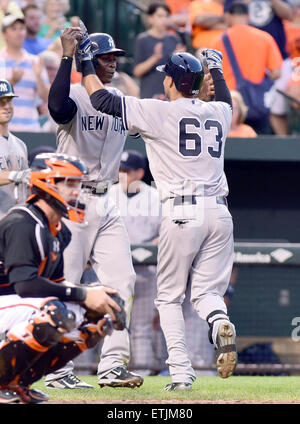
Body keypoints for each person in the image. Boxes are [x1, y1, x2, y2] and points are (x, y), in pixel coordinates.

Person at [76, 23, 238, 390]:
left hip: (184, 210)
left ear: (171, 83)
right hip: (220, 211)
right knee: (209, 294)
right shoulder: (218, 115)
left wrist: (85, 62)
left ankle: (181, 373)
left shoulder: (158, 111)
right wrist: (217, 69)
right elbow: (225, 101)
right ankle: (218, 321)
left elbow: (101, 100)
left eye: (167, 77)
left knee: (168, 297)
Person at [46, 25, 143, 389]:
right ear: (90, 59)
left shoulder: (115, 99)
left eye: (114, 57)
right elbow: (56, 108)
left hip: (108, 199)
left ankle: (113, 365)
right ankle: (57, 369)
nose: (112, 63)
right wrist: (69, 57)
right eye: (105, 57)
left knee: (122, 279)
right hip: (73, 199)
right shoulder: (73, 93)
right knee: (67, 284)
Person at [0, 152, 125, 404]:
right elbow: (25, 285)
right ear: (46, 183)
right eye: (68, 183)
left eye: (77, 183)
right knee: (55, 313)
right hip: (8, 300)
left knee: (95, 320)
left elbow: (56, 285)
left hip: (15, 307)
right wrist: (83, 294)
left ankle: (17, 383)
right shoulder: (23, 222)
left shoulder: (59, 229)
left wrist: (95, 294)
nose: (76, 191)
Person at [109, 150, 162, 375]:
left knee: (140, 327)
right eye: (120, 170)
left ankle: (143, 373)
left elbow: (166, 233)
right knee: (111, 324)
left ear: (140, 172)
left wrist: (149, 247)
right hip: (114, 272)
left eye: (127, 171)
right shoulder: (107, 194)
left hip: (146, 271)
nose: (122, 175)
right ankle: (108, 368)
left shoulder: (156, 196)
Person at [211, 1, 282, 133]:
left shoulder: (219, 40)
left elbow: (210, 72)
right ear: (248, 16)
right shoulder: (265, 38)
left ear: (228, 17)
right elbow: (276, 73)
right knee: (258, 145)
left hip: (230, 102)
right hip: (257, 102)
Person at [0, 14, 50, 132]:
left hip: (31, 128)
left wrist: (38, 76)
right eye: (14, 29)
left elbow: (46, 97)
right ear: (4, 34)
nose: (19, 32)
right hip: (4, 129)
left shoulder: (35, 61)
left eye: (22, 28)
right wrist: (12, 82)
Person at [133, 2, 184, 99]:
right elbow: (137, 71)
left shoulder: (174, 39)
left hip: (171, 95)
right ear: (150, 18)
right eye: (160, 16)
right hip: (149, 95)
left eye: (166, 16)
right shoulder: (142, 39)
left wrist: (178, 58)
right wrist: (155, 58)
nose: (164, 20)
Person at [0, 78, 29, 218]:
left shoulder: (20, 144)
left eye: (9, 101)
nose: (6, 106)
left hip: (18, 220)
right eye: (1, 102)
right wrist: (17, 175)